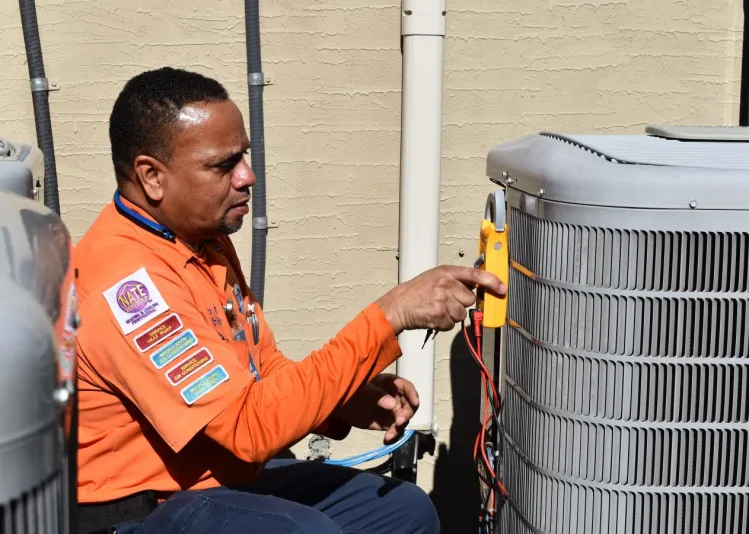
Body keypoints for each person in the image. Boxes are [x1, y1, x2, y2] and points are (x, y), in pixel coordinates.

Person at [73, 67, 505, 534]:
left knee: (405, 511)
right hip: (142, 511)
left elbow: (263, 373)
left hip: (217, 484)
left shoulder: (202, 241)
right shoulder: (128, 287)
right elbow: (249, 428)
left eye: (244, 156)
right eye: (223, 165)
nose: (247, 176)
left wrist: (344, 400)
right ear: (151, 177)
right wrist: (391, 315)